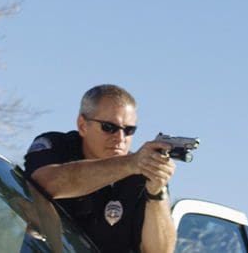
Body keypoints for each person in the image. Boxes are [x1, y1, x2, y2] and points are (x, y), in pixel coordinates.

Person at [24, 85, 177, 253]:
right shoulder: (58, 146)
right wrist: (130, 164)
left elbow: (159, 251)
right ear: (82, 125)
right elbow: (46, 183)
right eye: (109, 127)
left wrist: (156, 193)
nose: (120, 138)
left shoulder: (142, 174)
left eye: (129, 130)